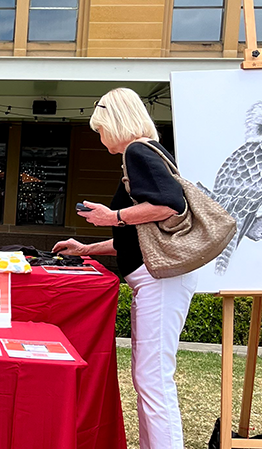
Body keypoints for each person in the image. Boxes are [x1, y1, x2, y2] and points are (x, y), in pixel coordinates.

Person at [53, 87, 193, 449]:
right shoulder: (150, 153)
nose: (99, 139)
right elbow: (134, 238)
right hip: (157, 277)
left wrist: (111, 215)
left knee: (153, 379)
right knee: (149, 378)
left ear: (116, 123)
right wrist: (86, 248)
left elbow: (170, 205)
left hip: (158, 280)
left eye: (101, 130)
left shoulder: (137, 151)